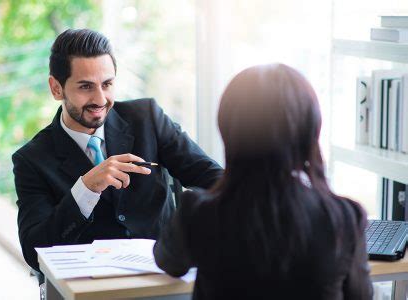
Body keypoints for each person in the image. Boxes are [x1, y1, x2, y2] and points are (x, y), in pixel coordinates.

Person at [12, 28, 223, 276]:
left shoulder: (148, 118)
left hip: (164, 280)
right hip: (88, 290)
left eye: (107, 84)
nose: (100, 99)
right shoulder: (31, 160)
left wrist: (189, 227)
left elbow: (215, 181)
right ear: (56, 88)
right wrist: (85, 188)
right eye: (85, 87)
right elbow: (34, 251)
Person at [153, 64, 373, 299]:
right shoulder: (344, 217)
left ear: (229, 130)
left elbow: (169, 262)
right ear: (311, 129)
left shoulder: (198, 211)